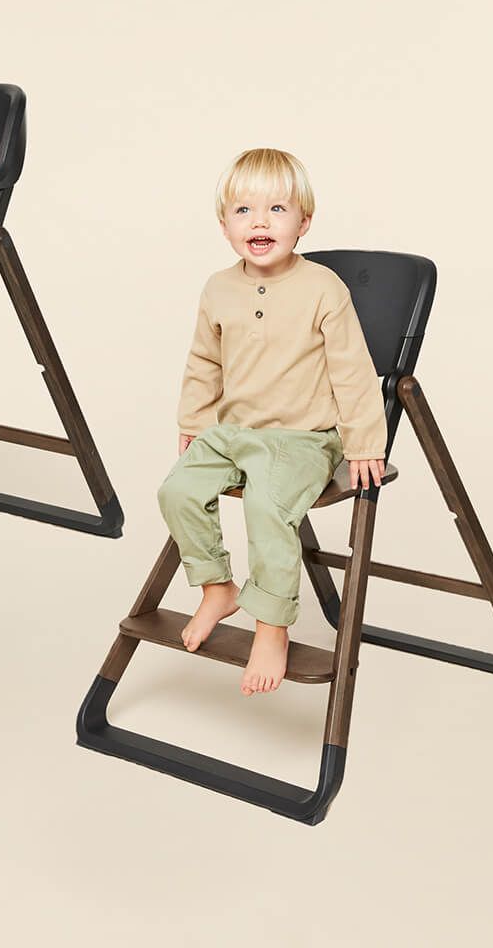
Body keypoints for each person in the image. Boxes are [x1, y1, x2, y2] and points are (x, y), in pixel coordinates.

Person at [157, 148, 387, 697]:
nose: (259, 222)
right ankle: (217, 586)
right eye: (244, 211)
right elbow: (204, 360)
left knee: (266, 507)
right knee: (177, 491)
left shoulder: (323, 288)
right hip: (234, 434)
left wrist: (363, 443)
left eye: (277, 209)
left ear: (304, 222)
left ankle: (272, 625)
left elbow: (353, 370)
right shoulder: (218, 287)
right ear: (224, 225)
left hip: (304, 439)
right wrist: (195, 419)